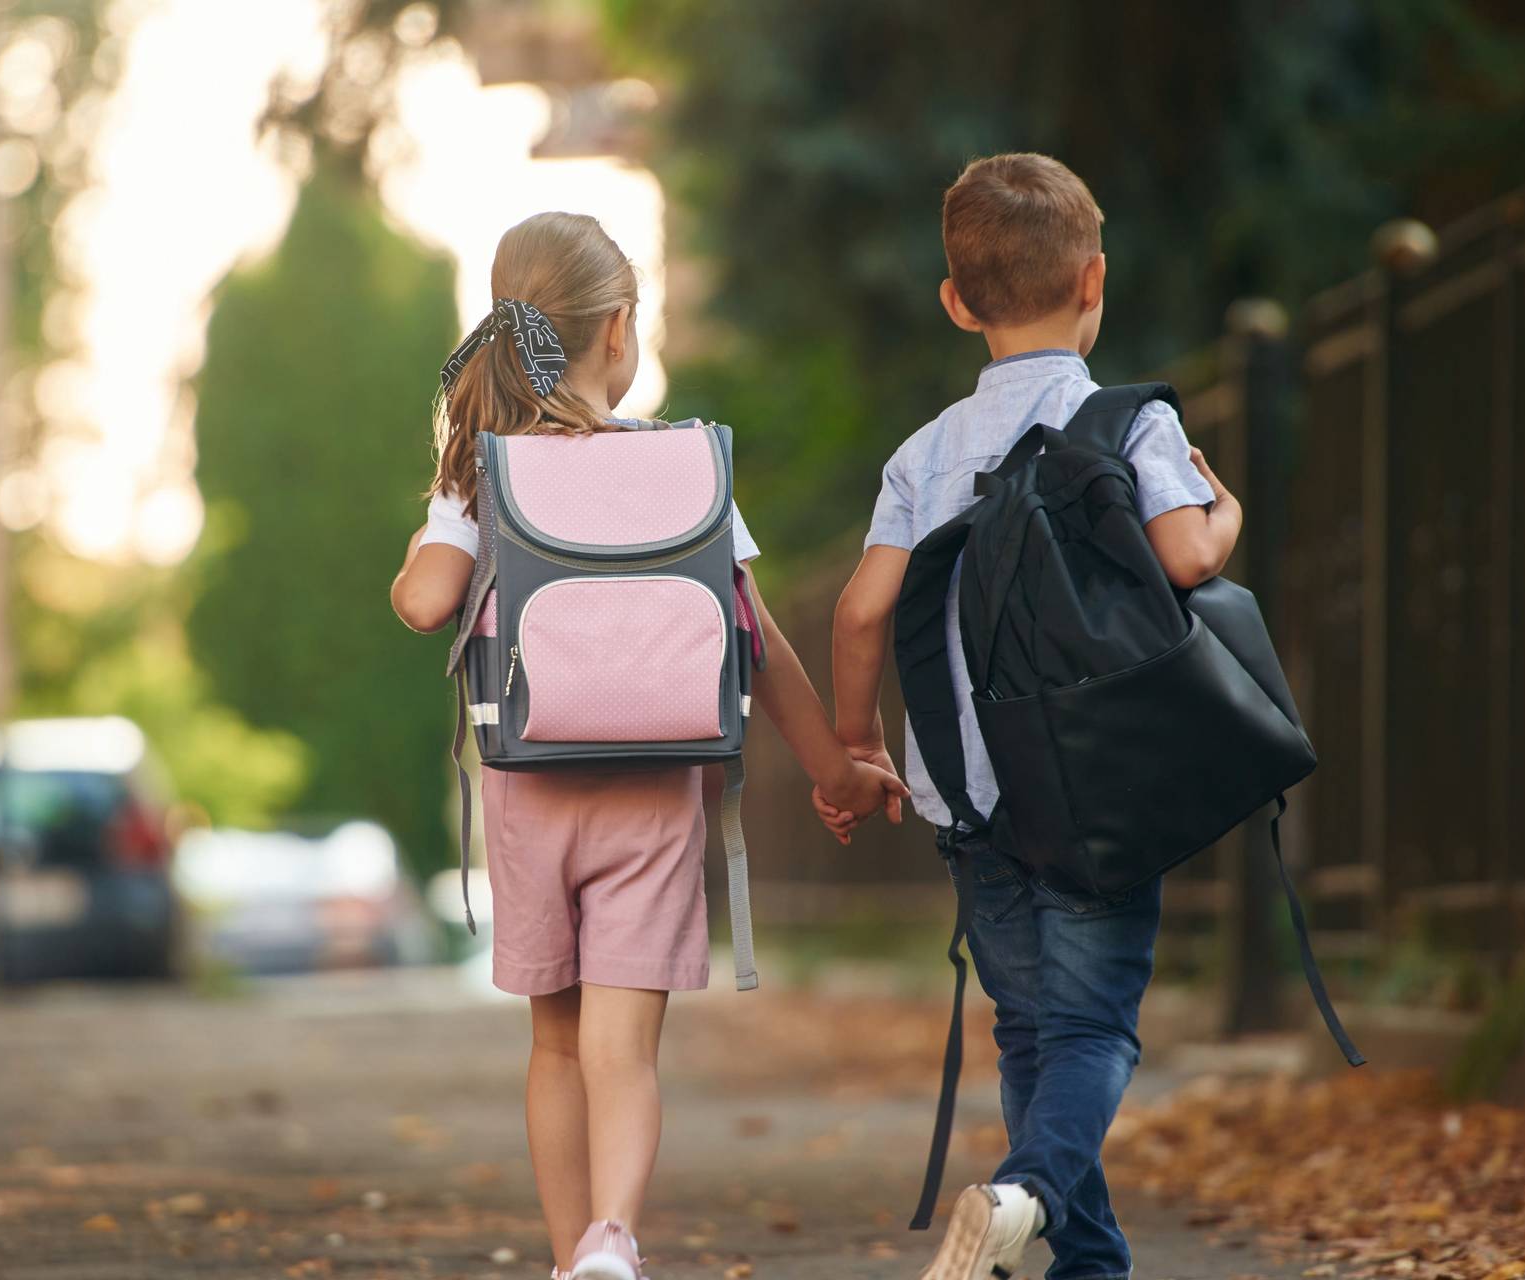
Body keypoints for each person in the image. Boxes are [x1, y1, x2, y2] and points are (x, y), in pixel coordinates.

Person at [388, 211, 907, 1280]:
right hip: (655, 795)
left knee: (557, 1045)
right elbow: (758, 643)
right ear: (619, 330)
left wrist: (431, 530)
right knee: (625, 1048)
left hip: (532, 795)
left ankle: (563, 1253)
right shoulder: (684, 469)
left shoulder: (481, 475)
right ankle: (612, 1236)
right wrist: (837, 770)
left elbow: (426, 601)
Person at [819, 154, 1242, 1280]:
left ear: (957, 303)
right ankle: (1033, 1195)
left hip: (971, 793)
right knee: (1093, 1027)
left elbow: (863, 611)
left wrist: (859, 748)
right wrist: (1227, 510)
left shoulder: (923, 455)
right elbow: (1188, 552)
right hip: (1102, 787)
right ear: (1093, 281)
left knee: (1028, 1027)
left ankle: (1081, 1257)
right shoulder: (1122, 423)